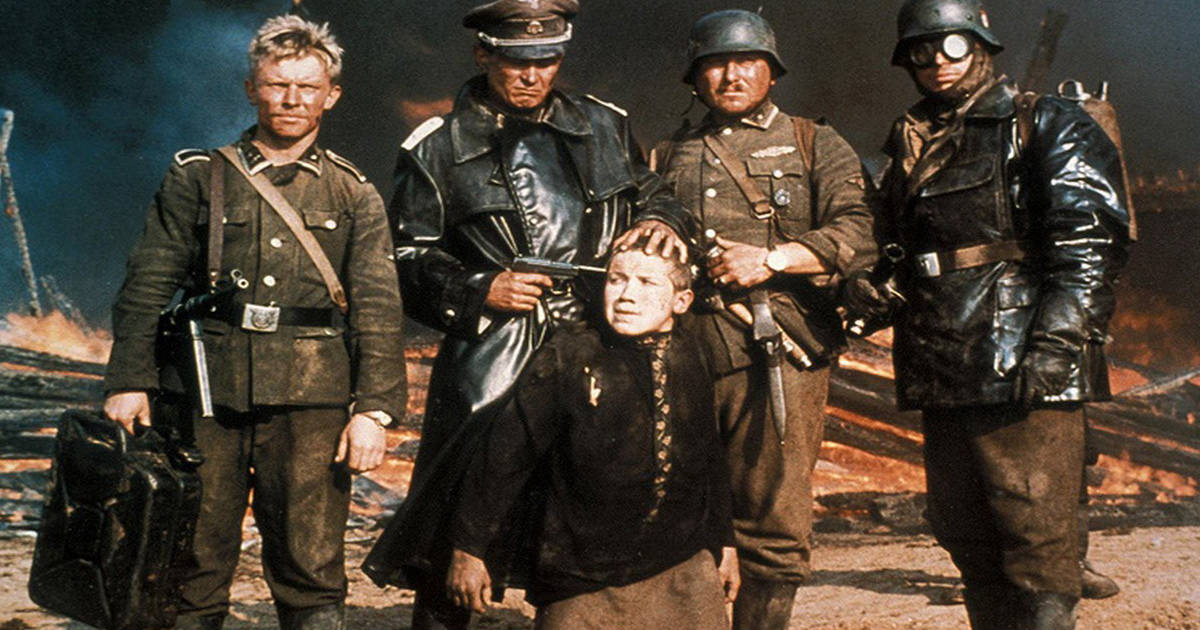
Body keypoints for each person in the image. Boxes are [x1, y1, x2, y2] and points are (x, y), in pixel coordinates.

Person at [361, 2, 695, 628]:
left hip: (600, 342)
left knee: (595, 517)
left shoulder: (604, 124)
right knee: (456, 532)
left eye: (546, 60)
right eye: (516, 61)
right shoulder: (437, 147)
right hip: (498, 352)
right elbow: (401, 258)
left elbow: (655, 194)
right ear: (484, 54)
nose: (532, 75)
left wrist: (662, 219)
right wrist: (480, 287)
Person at [102, 15, 407, 630]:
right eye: (276, 85)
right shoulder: (198, 176)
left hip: (313, 401)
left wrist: (374, 410)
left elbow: (377, 306)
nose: (291, 100)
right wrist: (129, 379)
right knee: (193, 559)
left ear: (331, 95)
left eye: (307, 87)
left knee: (311, 566)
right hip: (206, 395)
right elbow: (147, 283)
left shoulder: (353, 193)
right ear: (251, 89)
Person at [850, 0, 1131, 627]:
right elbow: (898, 244)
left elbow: (1089, 245)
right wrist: (872, 287)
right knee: (966, 536)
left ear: (980, 45)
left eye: (952, 45)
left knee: (1037, 544)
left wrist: (1057, 345)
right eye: (922, 50)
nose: (938, 62)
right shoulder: (910, 139)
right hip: (942, 364)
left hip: (1022, 357)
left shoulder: (1044, 121)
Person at [650, 10, 874, 629]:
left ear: (772, 73)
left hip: (776, 351)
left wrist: (772, 259)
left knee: (772, 518)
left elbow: (859, 232)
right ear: (695, 78)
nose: (732, 76)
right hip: (684, 352)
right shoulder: (665, 153)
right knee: (679, 503)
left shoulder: (813, 142)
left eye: (747, 62)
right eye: (716, 64)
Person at [445, 243, 737, 629]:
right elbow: (506, 453)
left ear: (681, 301)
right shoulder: (571, 353)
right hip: (582, 574)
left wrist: (725, 542)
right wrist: (469, 548)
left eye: (647, 282)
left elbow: (710, 457)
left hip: (680, 564)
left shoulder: (693, 354)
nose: (627, 295)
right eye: (616, 280)